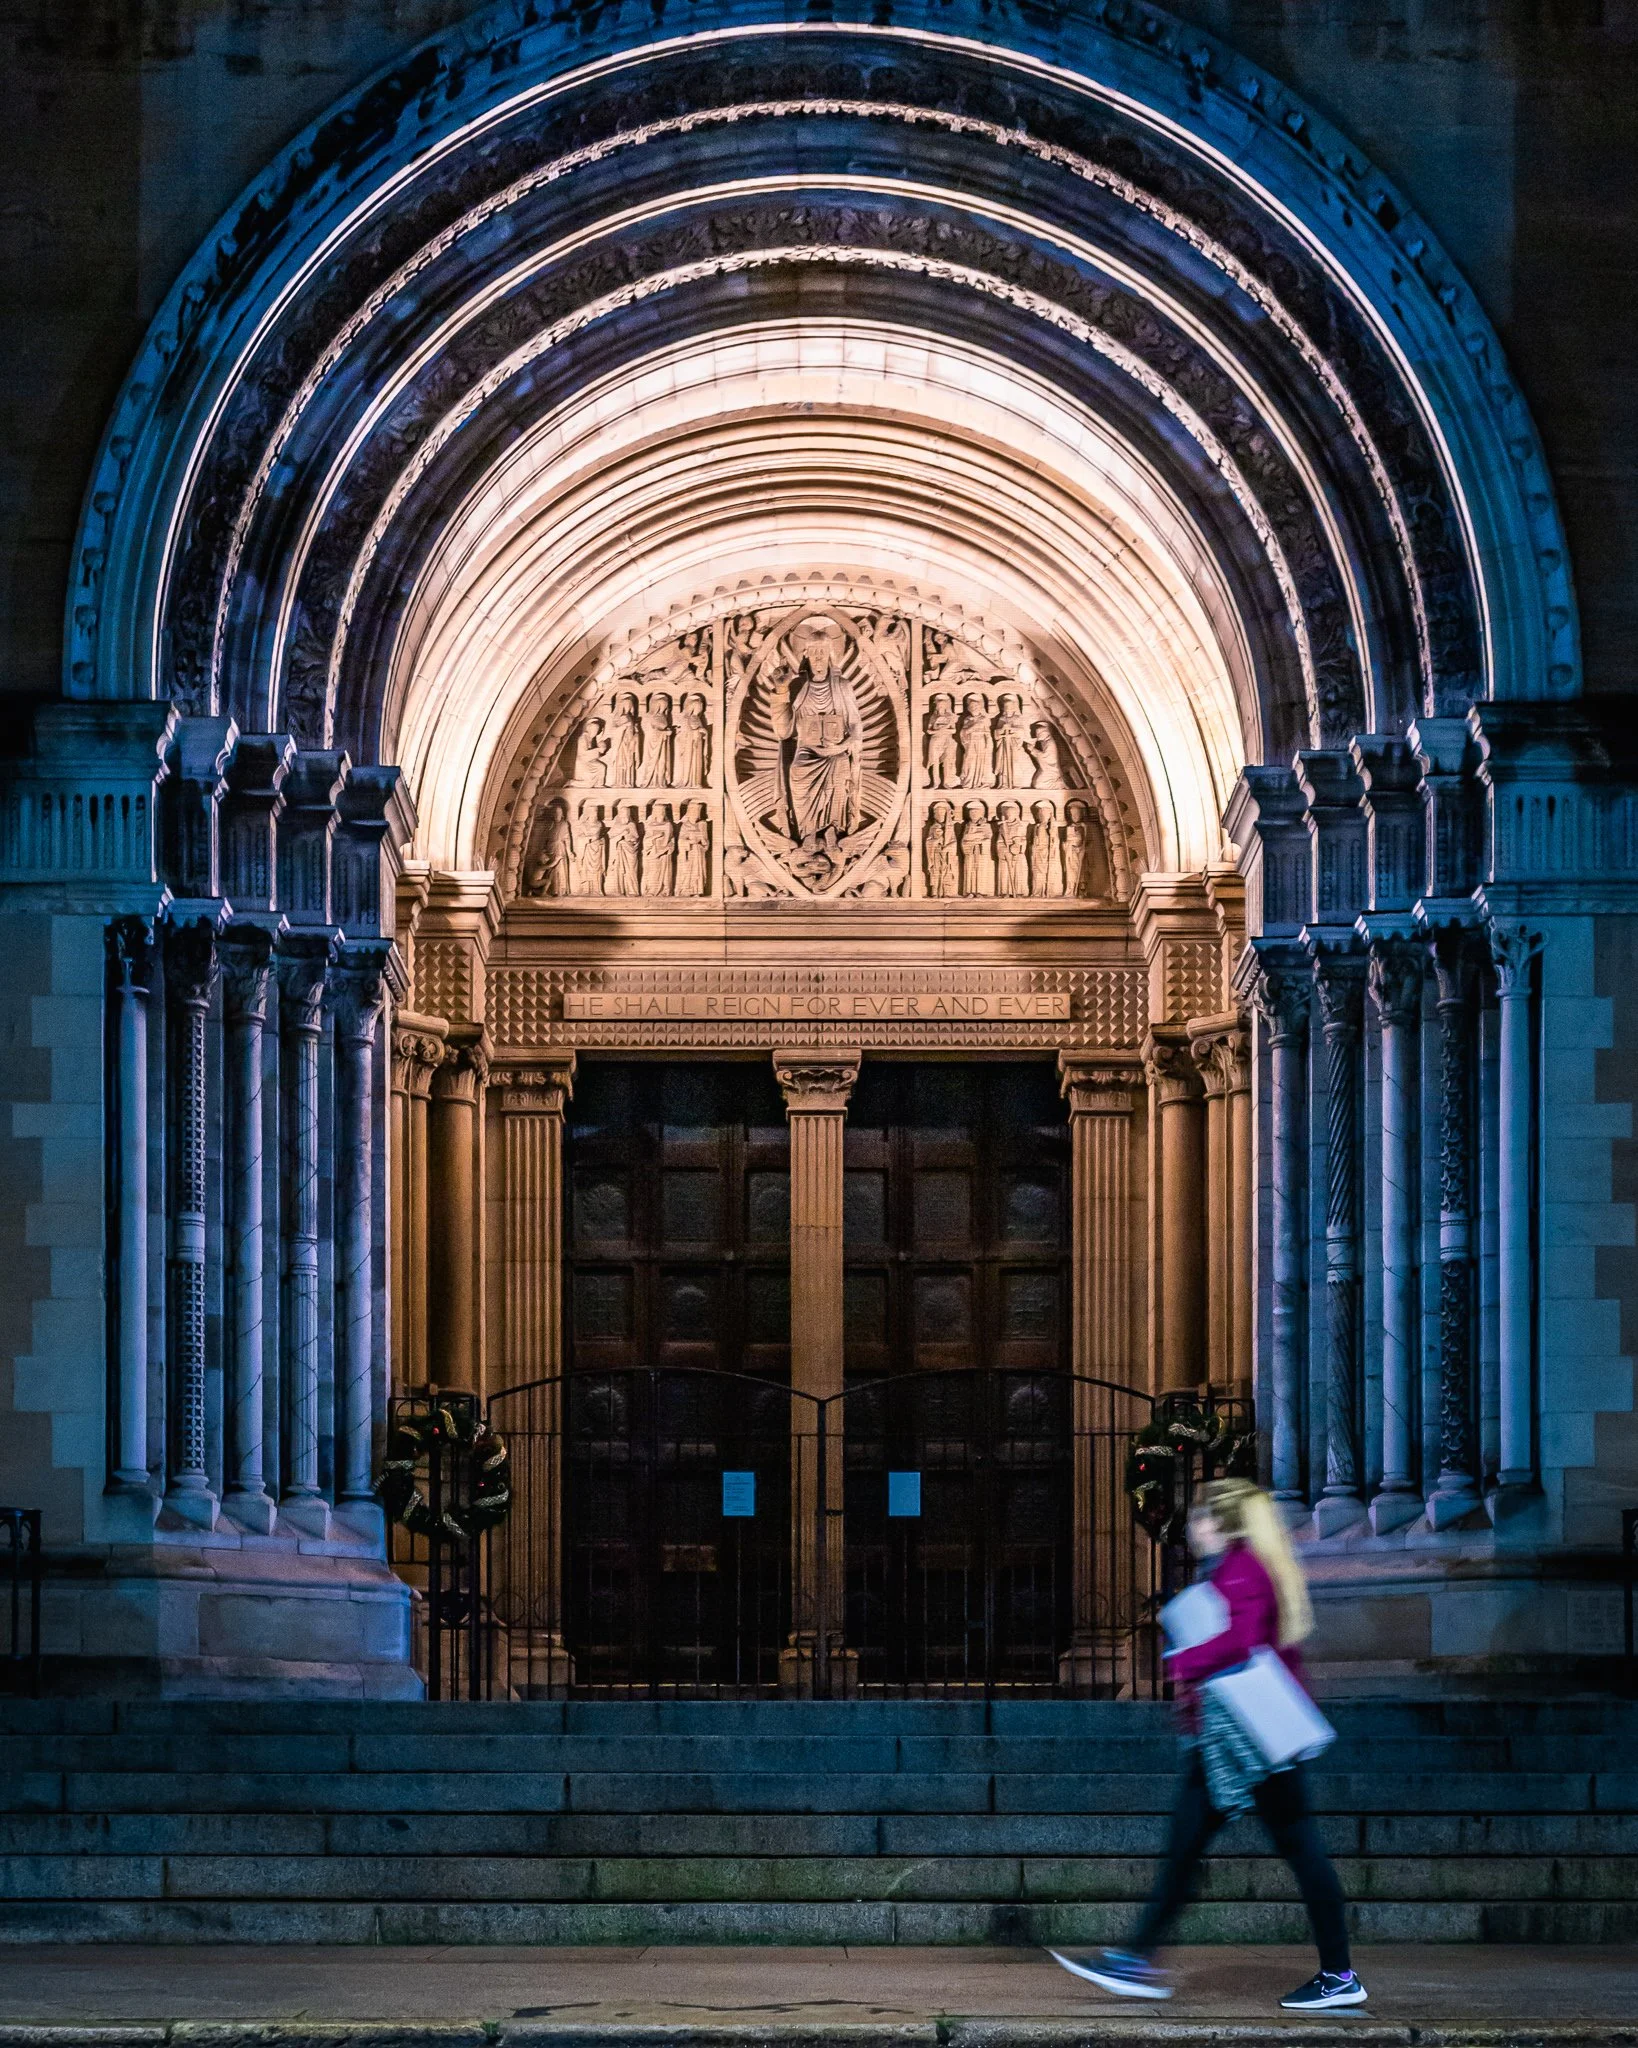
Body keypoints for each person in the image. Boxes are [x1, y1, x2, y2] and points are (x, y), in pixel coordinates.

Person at [1050, 1478, 1365, 2012]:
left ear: (1221, 1524)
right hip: (1226, 1738)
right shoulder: (1233, 1569)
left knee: (1297, 1848)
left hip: (1254, 1741)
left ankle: (1339, 1974)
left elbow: (1241, 1642)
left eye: (1199, 1519)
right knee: (1188, 1849)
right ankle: (1135, 1960)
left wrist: (1183, 1659)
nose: (1191, 1528)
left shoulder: (1244, 1569)